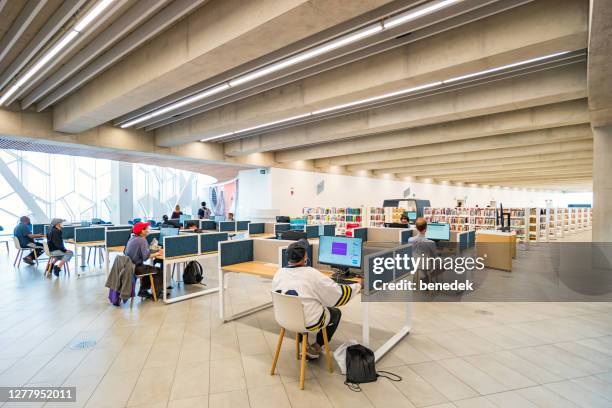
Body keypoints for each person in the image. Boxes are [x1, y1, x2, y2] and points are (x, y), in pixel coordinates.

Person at [272, 239, 361, 359]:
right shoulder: (312, 274)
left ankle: (303, 343)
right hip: (309, 322)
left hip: (285, 319)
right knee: (335, 313)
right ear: (305, 257)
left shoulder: (279, 273)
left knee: (301, 305)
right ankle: (317, 346)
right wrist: (358, 286)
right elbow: (337, 295)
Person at [124, 222, 164, 299]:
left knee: (149, 269)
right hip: (136, 268)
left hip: (129, 266)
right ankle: (157, 294)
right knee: (158, 271)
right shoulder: (142, 240)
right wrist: (158, 253)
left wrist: (152, 251)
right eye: (147, 228)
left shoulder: (132, 238)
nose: (148, 230)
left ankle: (143, 291)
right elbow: (146, 257)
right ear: (142, 231)